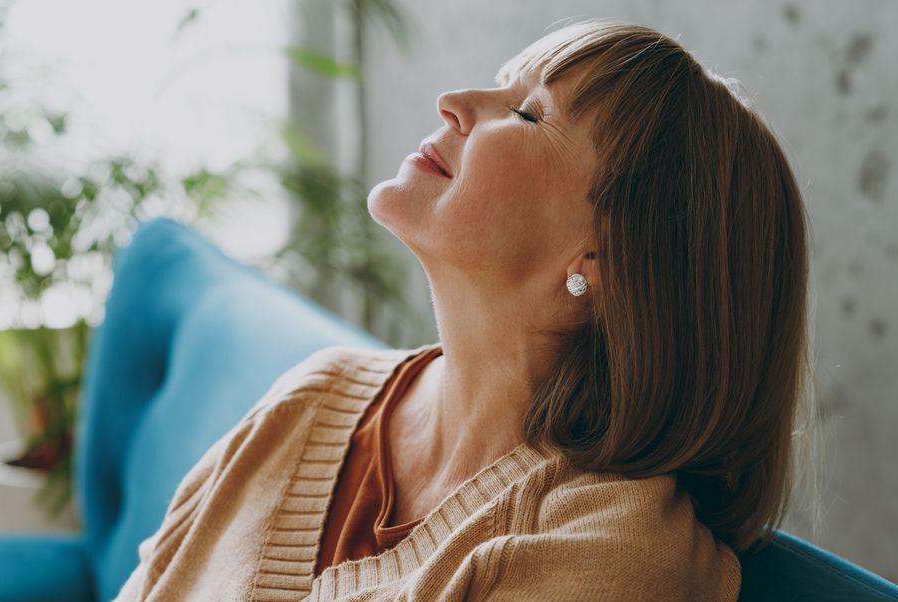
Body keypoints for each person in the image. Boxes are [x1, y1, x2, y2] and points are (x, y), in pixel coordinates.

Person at [114, 16, 820, 601]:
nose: (453, 100)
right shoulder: (316, 394)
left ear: (604, 259)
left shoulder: (607, 553)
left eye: (527, 112)